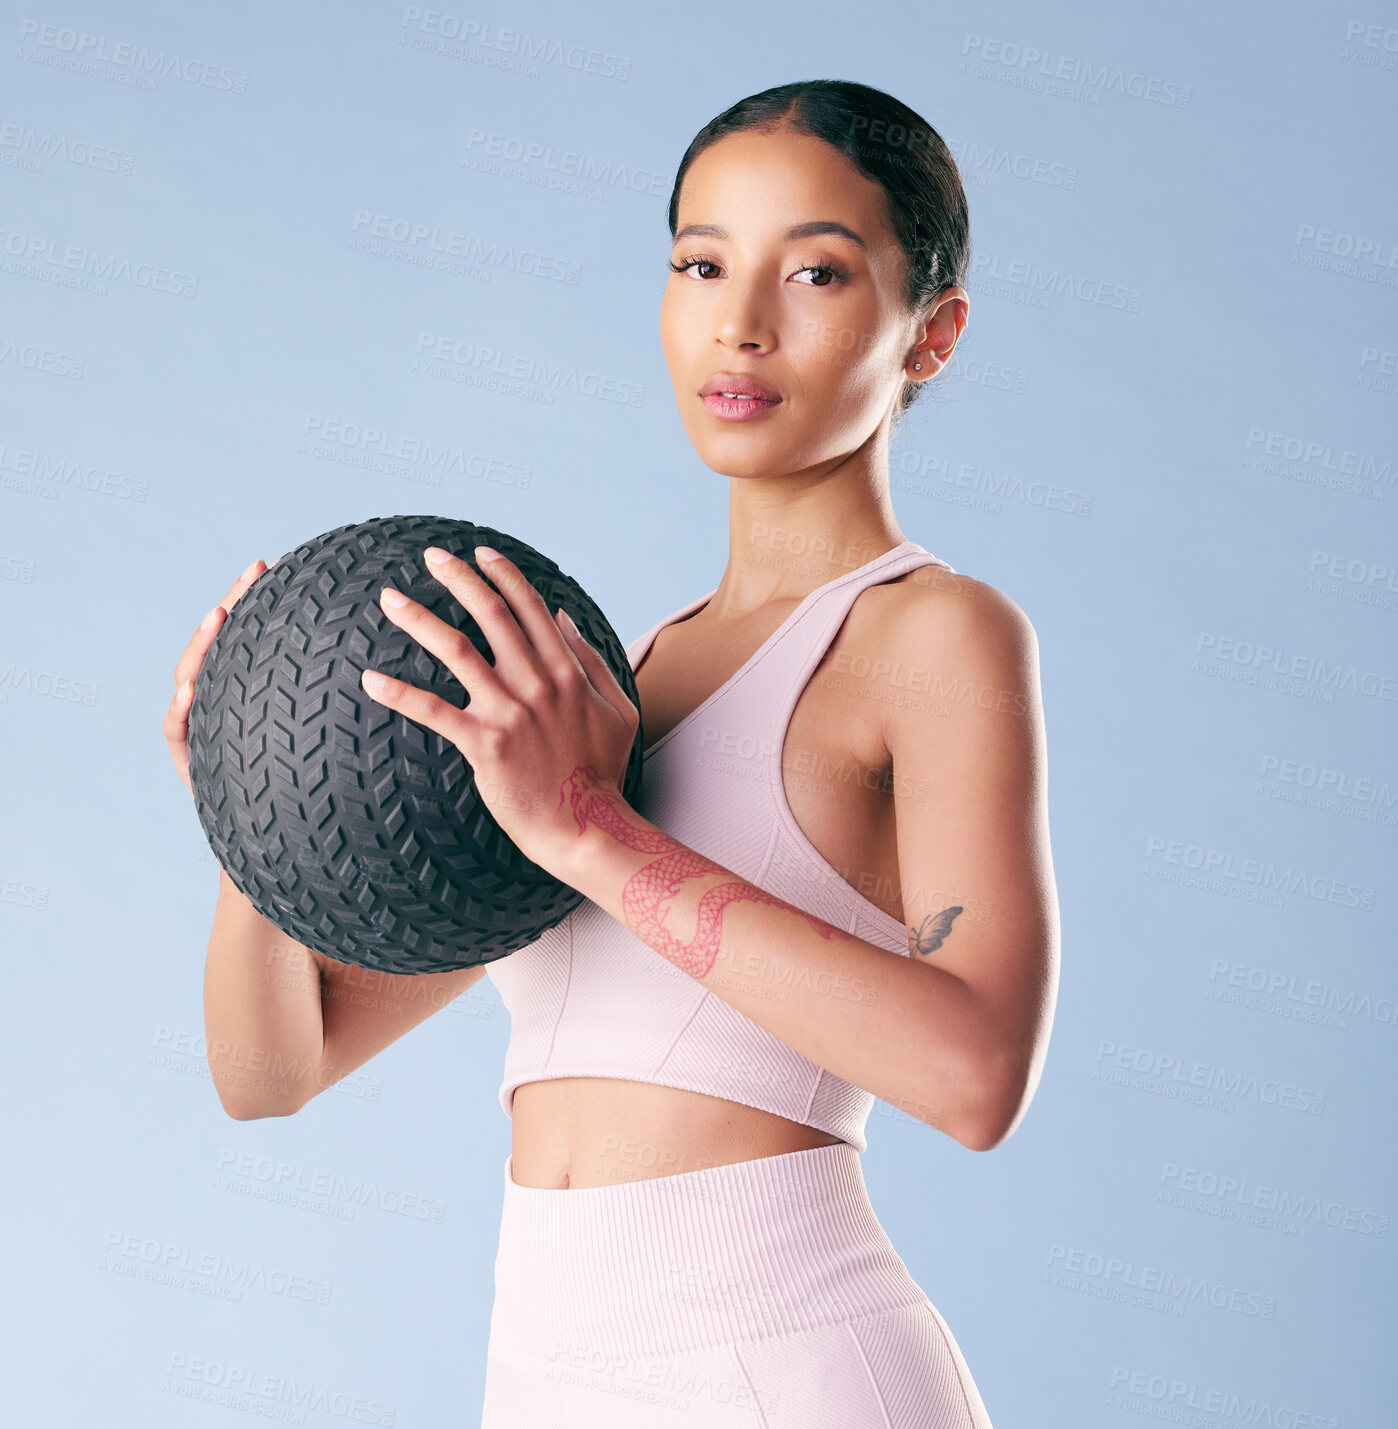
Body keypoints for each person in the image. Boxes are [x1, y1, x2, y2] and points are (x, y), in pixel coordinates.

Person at [164, 79, 1058, 1429]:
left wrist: (588, 827)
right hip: (542, 1376)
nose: (739, 321)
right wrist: (264, 805)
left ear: (928, 335)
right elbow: (272, 1073)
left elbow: (974, 1071)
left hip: (789, 1368)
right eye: (701, 263)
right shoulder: (604, 679)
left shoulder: (929, 633)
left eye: (814, 269)